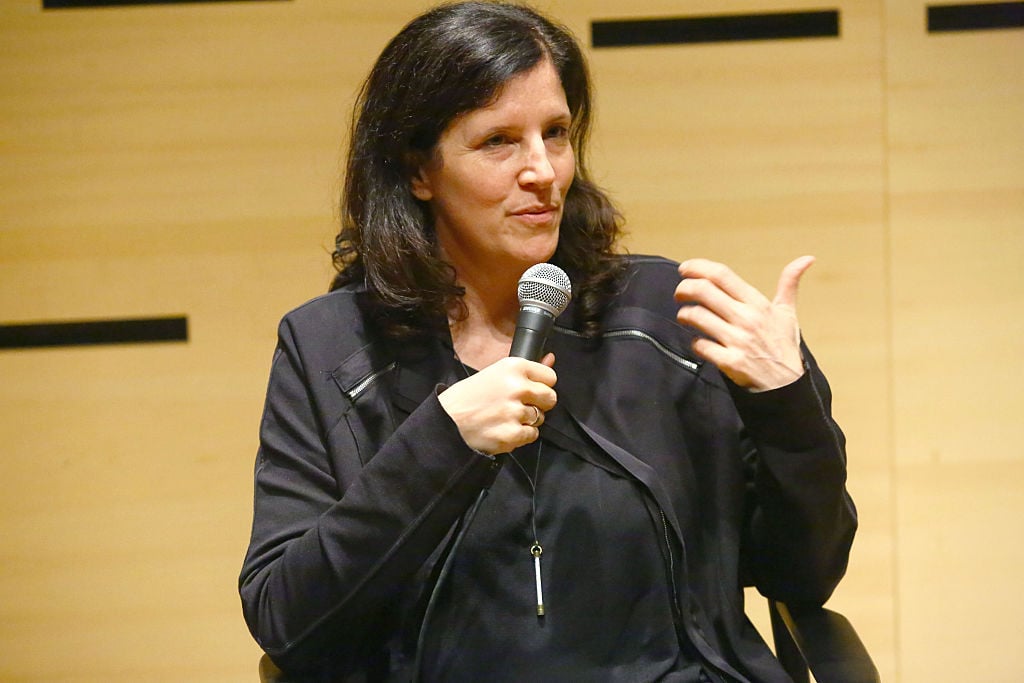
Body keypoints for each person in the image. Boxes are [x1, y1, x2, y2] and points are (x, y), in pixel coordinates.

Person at [239, 2, 857, 681]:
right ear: (418, 170)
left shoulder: (670, 316)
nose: (543, 171)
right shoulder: (329, 349)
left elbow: (805, 574)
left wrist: (789, 404)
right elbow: (289, 621)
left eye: (556, 133)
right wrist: (442, 440)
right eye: (498, 141)